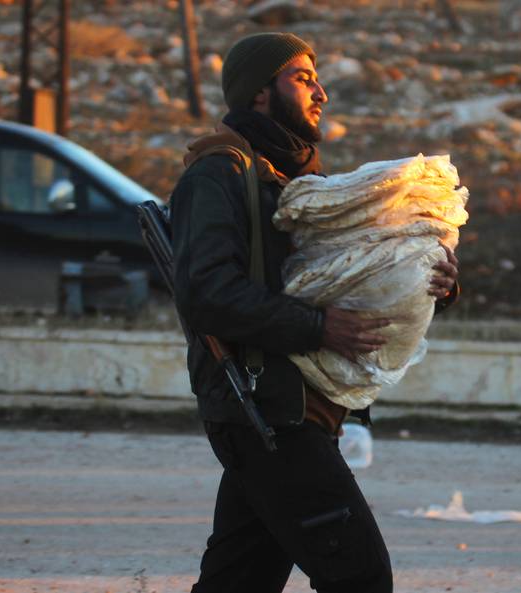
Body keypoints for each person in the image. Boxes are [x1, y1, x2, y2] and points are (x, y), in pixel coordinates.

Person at [170, 32, 459, 593]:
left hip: (301, 409)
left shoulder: (302, 183)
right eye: (302, 78)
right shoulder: (220, 173)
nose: (320, 91)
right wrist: (318, 327)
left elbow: (352, 283)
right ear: (259, 92)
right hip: (265, 412)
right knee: (361, 577)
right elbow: (206, 294)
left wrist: (437, 285)